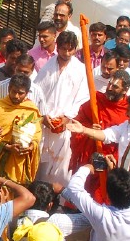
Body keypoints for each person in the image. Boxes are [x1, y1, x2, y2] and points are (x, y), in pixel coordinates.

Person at [35, 31, 89, 185]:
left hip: (65, 124)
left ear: (75, 50)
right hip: (45, 123)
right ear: (57, 48)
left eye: (70, 49)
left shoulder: (79, 69)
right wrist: (43, 116)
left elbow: (82, 97)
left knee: (60, 166)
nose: (66, 53)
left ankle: (55, 197)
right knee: (40, 163)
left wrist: (67, 118)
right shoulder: (48, 67)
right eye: (63, 49)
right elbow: (38, 92)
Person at [69, 71, 130, 173]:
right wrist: (89, 129)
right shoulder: (96, 100)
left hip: (111, 161)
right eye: (109, 84)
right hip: (91, 156)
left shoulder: (129, 108)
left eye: (115, 87)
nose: (110, 88)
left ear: (125, 90)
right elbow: (79, 121)